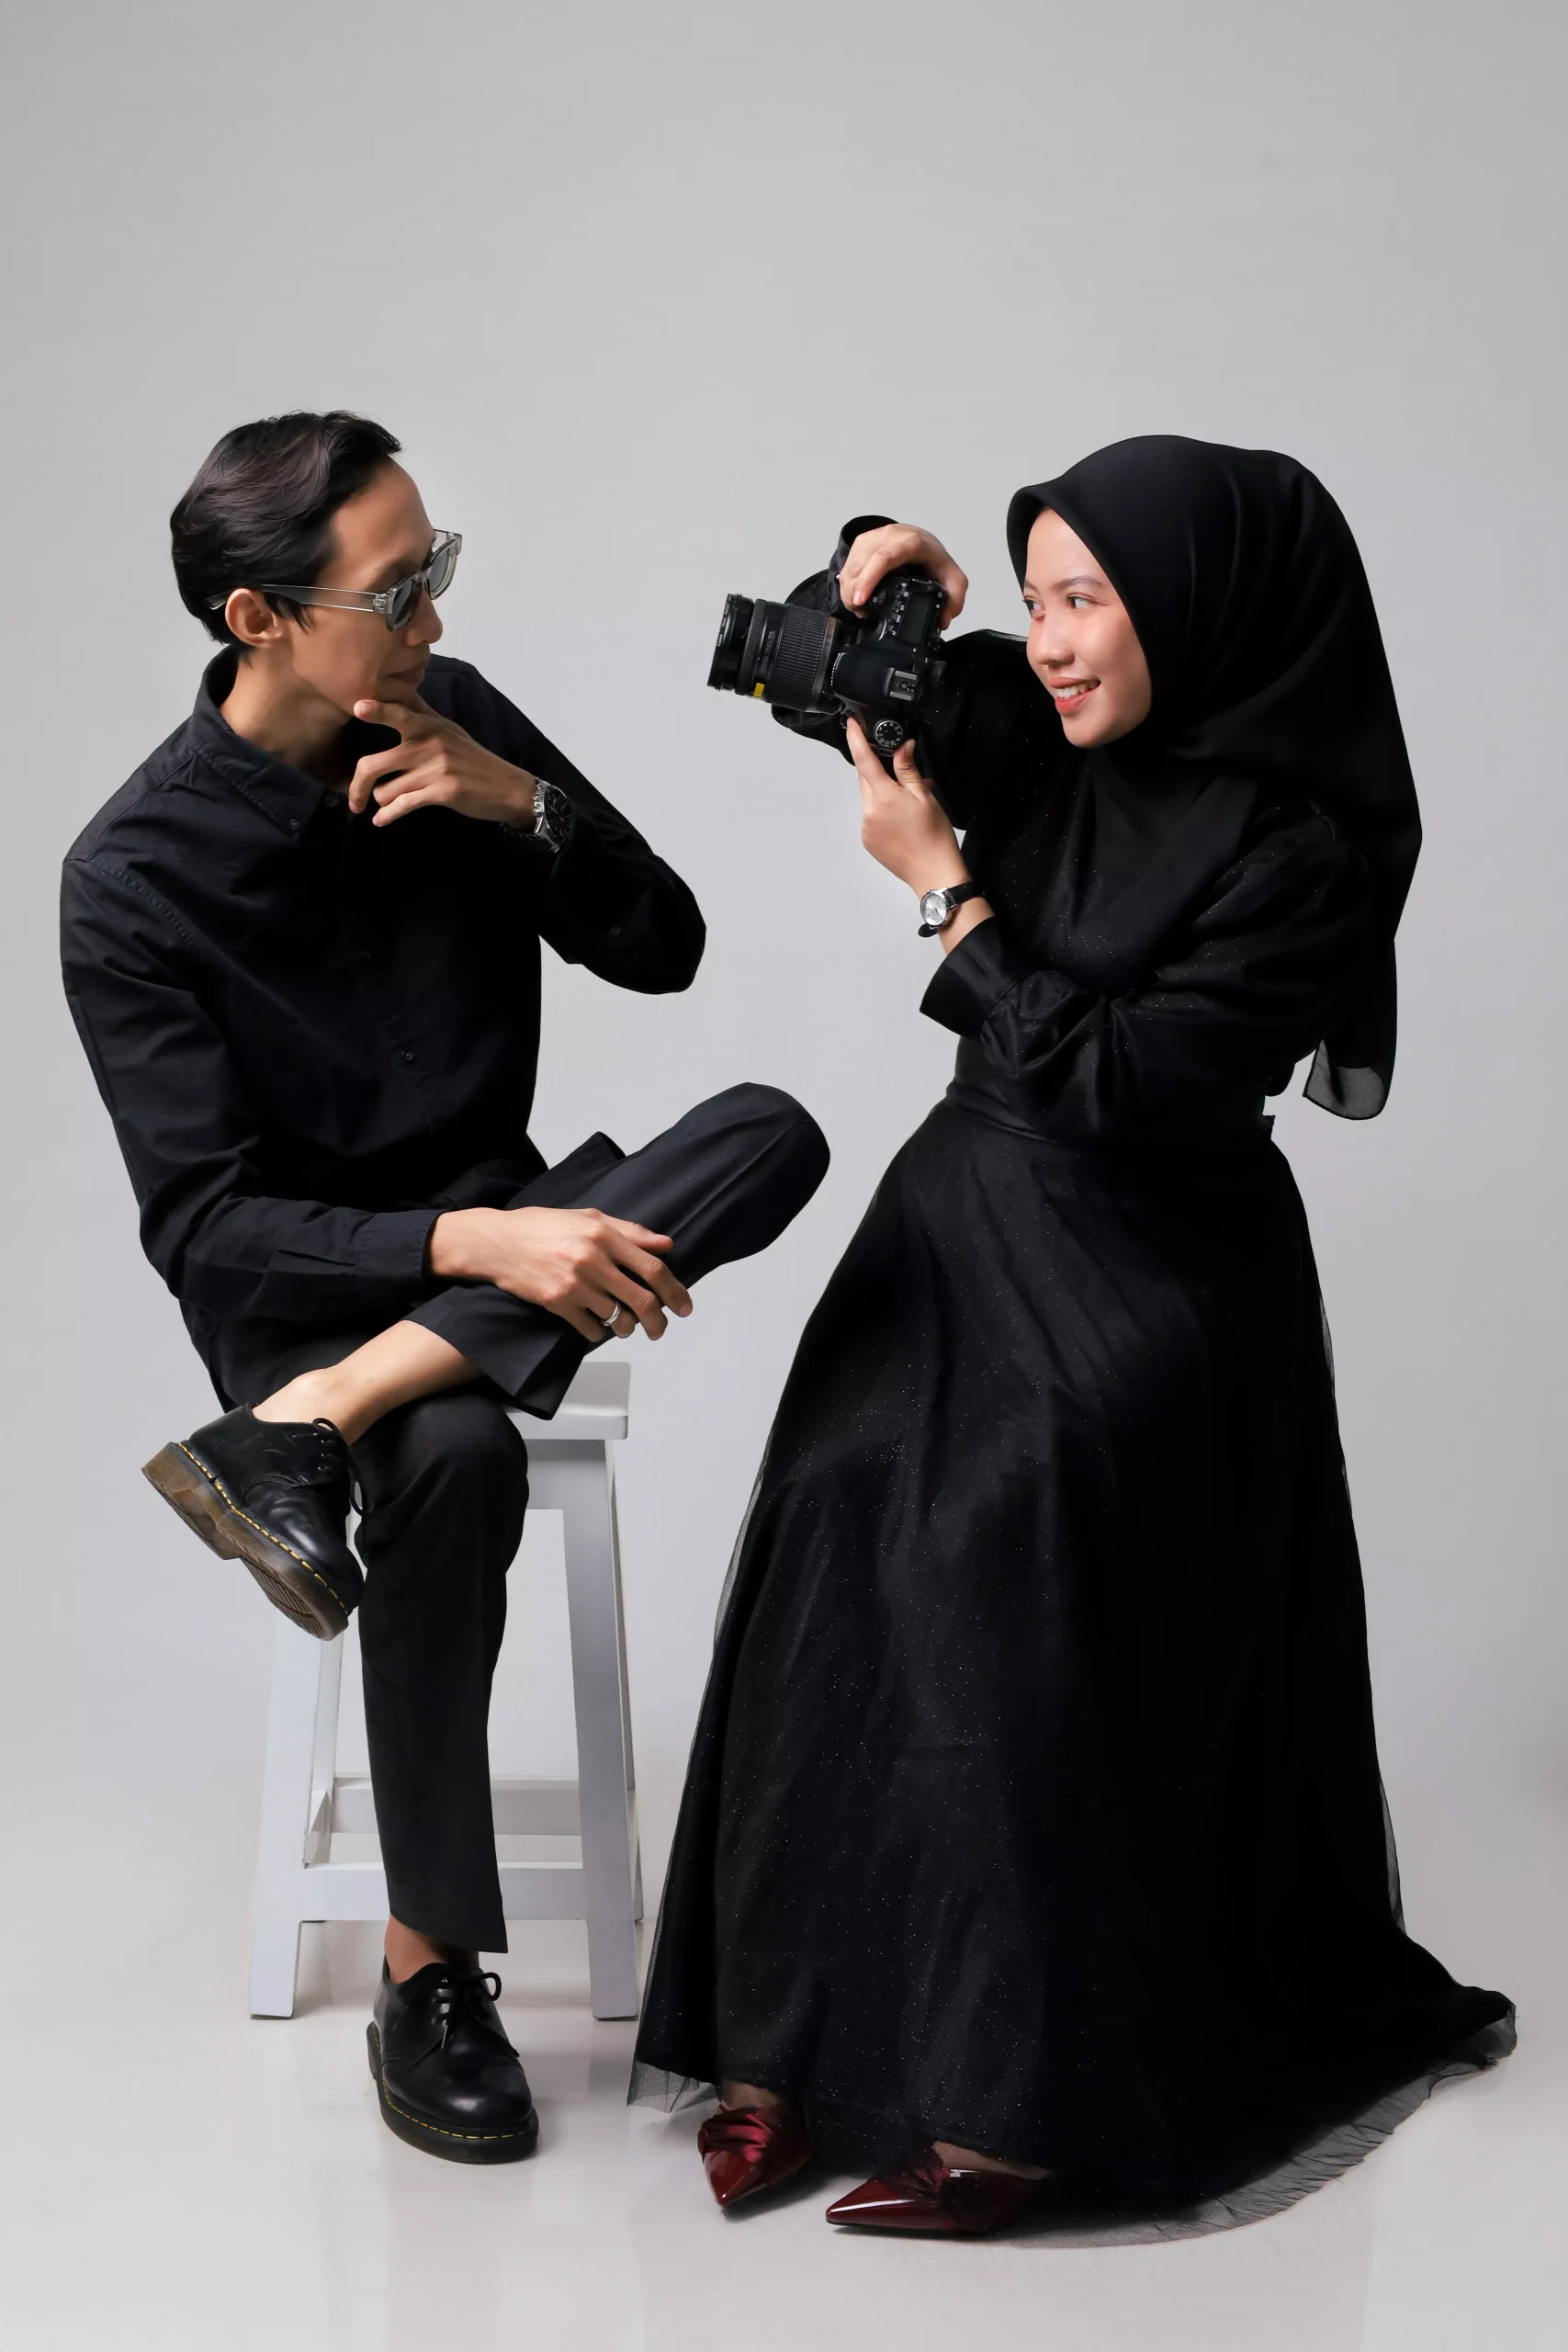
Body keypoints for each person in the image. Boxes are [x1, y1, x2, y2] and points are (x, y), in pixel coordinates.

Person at [631, 437, 1513, 2235]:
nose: (1043, 642)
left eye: (1083, 600)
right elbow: (800, 674)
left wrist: (946, 894)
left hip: (1156, 1252)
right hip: (963, 1211)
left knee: (1005, 1542)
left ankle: (1019, 2102)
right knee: (833, 1518)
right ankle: (783, 2043)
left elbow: (1117, 1084)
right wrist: (880, 569)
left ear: (1194, 608)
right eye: (1032, 599)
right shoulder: (1037, 722)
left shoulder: (1306, 856)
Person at [61, 411, 828, 2165]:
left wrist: (521, 805)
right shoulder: (130, 879)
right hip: (308, 1287)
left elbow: (666, 947)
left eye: (436, 571)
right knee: (460, 1456)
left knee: (769, 1132)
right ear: (258, 619)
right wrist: (469, 1250)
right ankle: (430, 1973)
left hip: (502, 1230)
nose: (430, 618)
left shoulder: (453, 709)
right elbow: (207, 1226)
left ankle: (308, 1431)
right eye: (394, 591)